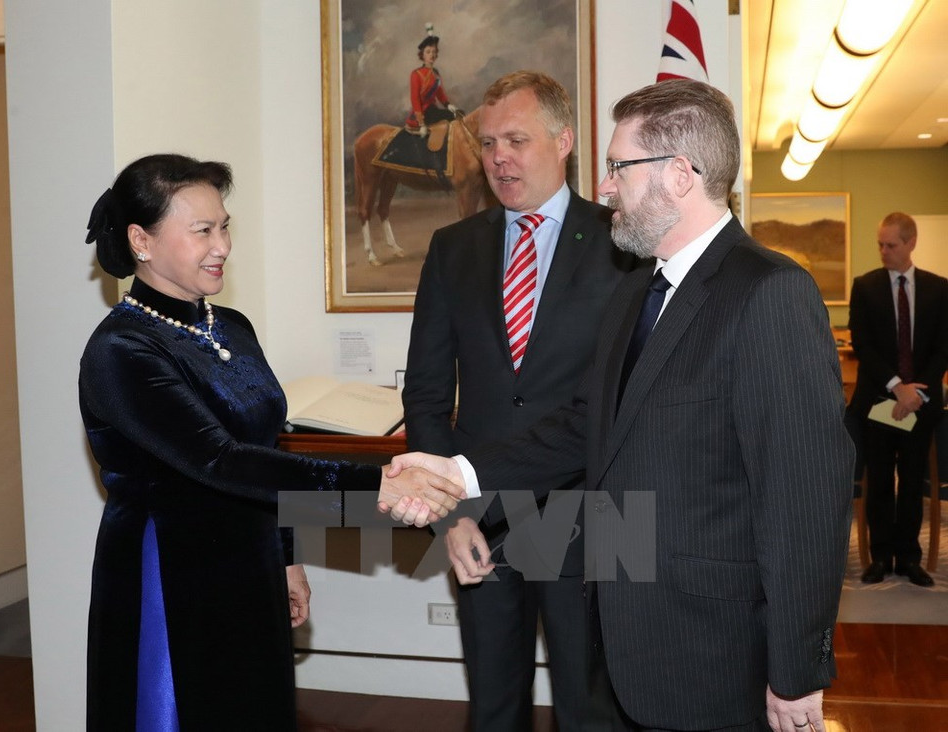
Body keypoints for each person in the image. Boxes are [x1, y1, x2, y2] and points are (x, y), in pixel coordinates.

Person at [388, 79, 853, 732]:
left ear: (680, 175)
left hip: (712, 651)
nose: (604, 188)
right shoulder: (640, 292)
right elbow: (586, 426)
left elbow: (805, 499)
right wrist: (453, 477)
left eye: (618, 168)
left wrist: (798, 668)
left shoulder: (769, 293)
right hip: (630, 638)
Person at [79, 154, 462, 731]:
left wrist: (287, 558)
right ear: (142, 241)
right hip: (174, 574)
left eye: (225, 225)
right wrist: (377, 484)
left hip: (249, 559)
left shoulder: (231, 326)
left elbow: (267, 449)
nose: (223, 245)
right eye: (202, 230)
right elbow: (219, 460)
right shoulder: (121, 350)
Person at [402, 70, 635, 731]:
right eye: (487, 142)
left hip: (591, 512)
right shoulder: (454, 249)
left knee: (591, 711)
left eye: (516, 139)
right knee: (494, 708)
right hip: (482, 517)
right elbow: (424, 392)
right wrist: (450, 516)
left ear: (564, 141)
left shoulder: (621, 244)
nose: (498, 156)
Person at [848, 212, 948, 587]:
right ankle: (879, 557)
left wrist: (916, 393)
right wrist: (897, 387)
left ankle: (908, 558)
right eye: (880, 244)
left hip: (920, 405)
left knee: (910, 482)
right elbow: (864, 346)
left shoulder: (939, 289)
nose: (883, 251)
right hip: (878, 401)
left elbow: (942, 348)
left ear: (911, 243)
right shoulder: (866, 286)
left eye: (891, 245)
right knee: (878, 482)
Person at [404, 24, 460, 138]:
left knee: (459, 114)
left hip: (433, 109)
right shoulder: (416, 74)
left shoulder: (436, 73)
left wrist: (448, 105)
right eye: (428, 52)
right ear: (422, 55)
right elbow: (415, 99)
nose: (432, 55)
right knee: (451, 117)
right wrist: (421, 123)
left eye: (434, 52)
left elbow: (440, 93)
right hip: (423, 113)